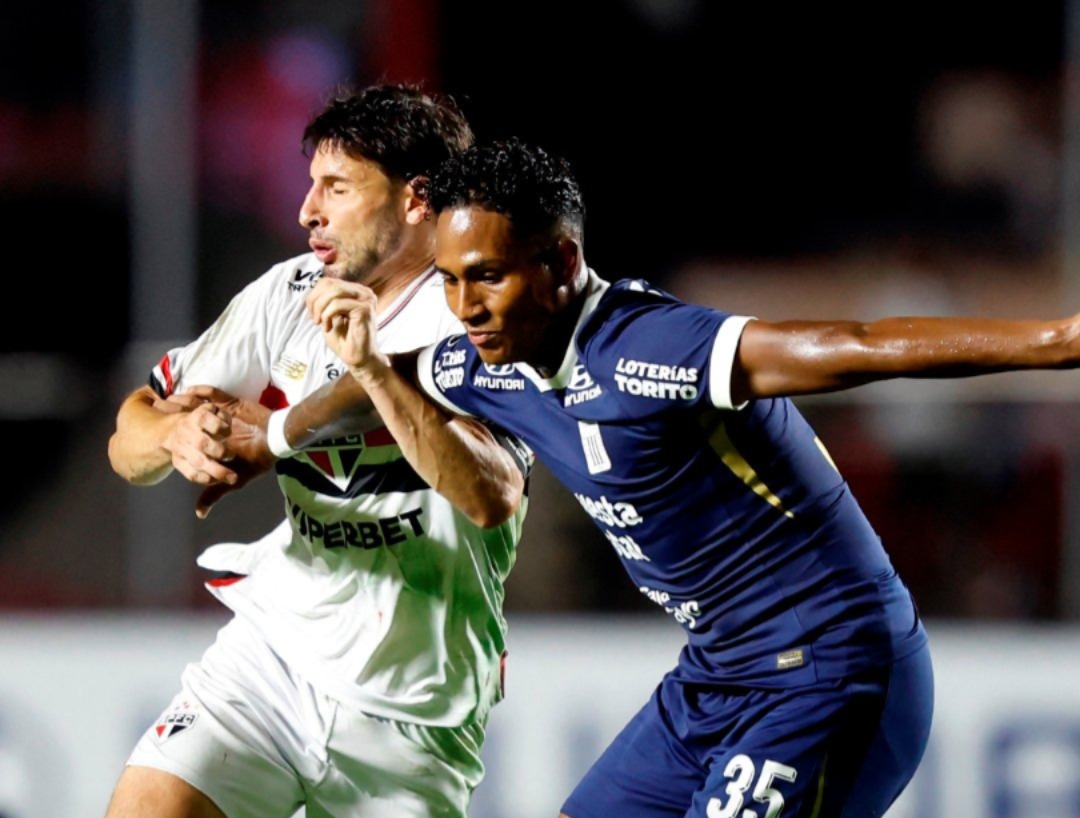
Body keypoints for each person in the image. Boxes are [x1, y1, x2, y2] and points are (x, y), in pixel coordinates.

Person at [281, 137, 1080, 818]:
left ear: (561, 262)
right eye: (450, 279)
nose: (465, 306)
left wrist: (1058, 341)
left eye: (487, 275)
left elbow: (857, 344)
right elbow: (398, 374)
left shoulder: (650, 349)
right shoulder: (493, 357)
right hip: (717, 674)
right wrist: (273, 437)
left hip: (833, 669)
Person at [105, 86, 529, 818]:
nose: (308, 210)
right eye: (311, 185)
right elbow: (130, 432)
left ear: (416, 199)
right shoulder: (288, 293)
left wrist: (342, 391)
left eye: (337, 187)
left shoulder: (479, 315)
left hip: (414, 711)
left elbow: (490, 497)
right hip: (271, 663)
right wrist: (174, 435)